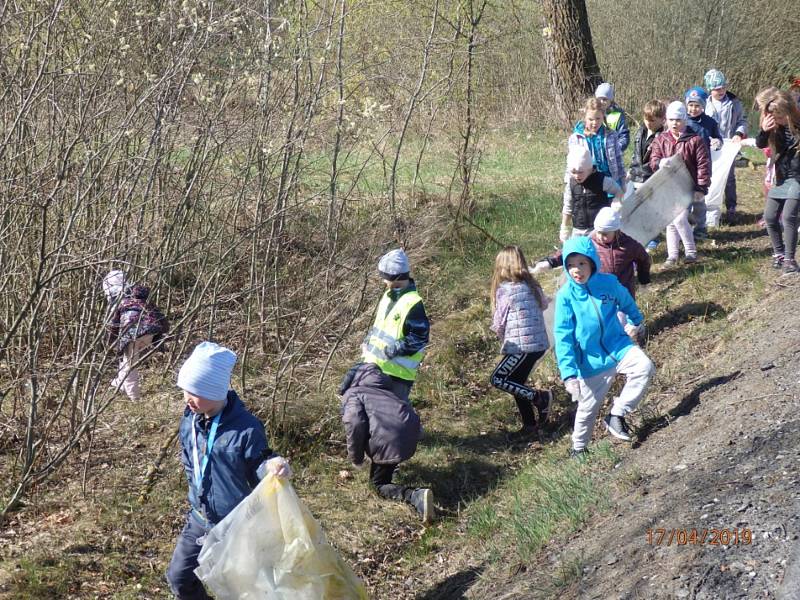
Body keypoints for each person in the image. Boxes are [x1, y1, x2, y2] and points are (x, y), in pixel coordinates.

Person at [166, 341, 291, 600]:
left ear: (216, 390)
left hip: (237, 524)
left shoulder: (246, 428)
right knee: (179, 577)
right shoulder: (190, 420)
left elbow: (259, 462)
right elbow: (190, 458)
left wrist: (272, 466)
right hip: (200, 519)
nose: (188, 398)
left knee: (249, 587)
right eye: (185, 391)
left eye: (196, 391)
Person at [553, 236, 655, 459]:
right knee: (587, 409)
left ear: (591, 262)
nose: (576, 270)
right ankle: (578, 448)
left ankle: (617, 414)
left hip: (618, 345)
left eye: (581, 263)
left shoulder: (607, 283)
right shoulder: (565, 297)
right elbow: (563, 337)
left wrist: (635, 321)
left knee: (644, 367)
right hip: (590, 361)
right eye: (570, 265)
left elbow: (625, 300)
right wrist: (569, 374)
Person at [339, 362, 434, 523]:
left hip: (390, 438)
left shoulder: (353, 393)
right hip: (410, 434)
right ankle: (391, 465)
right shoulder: (385, 390)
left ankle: (416, 496)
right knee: (385, 458)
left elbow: (354, 423)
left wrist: (356, 459)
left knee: (378, 485)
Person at [489, 246, 552, 437]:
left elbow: (499, 321)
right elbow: (544, 304)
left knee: (498, 379)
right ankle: (529, 425)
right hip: (539, 345)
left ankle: (540, 397)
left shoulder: (505, 290)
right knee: (516, 381)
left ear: (502, 268)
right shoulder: (532, 285)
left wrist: (499, 336)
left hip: (521, 347)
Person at [534, 207, 651, 302]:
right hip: (597, 293)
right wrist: (550, 262)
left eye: (605, 234)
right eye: (598, 232)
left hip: (622, 293)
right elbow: (571, 250)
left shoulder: (628, 245)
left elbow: (644, 260)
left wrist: (644, 279)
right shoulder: (590, 241)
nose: (600, 237)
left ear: (616, 231)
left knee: (621, 326)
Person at [361, 249, 430, 402]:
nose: (383, 282)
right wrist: (367, 342)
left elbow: (419, 337)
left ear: (394, 278)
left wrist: (392, 350)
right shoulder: (387, 297)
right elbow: (379, 326)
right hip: (374, 369)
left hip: (398, 376)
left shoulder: (413, 302)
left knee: (394, 421)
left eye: (384, 278)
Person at [649, 101, 711, 267]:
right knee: (670, 221)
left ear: (685, 120)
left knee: (680, 218)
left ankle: (690, 251)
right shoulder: (661, 139)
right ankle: (672, 255)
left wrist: (701, 188)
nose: (675, 123)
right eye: (671, 120)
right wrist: (660, 162)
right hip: (667, 187)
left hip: (687, 186)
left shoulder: (695, 140)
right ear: (666, 121)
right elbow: (653, 161)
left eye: (678, 119)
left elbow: (703, 165)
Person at [104, 270, 169, 401]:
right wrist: (163, 331)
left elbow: (113, 325)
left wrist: (110, 341)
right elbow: (158, 314)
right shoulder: (139, 297)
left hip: (133, 334)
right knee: (127, 359)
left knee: (130, 365)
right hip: (151, 331)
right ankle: (118, 384)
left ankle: (135, 398)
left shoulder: (117, 302)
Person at [755, 89, 800, 273]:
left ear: (789, 112)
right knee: (770, 216)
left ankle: (790, 259)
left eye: (781, 116)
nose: (778, 120)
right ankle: (779, 253)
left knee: (789, 216)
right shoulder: (774, 129)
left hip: (798, 178)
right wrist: (764, 131)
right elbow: (760, 144)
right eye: (775, 117)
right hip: (781, 178)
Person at [703, 69, 747, 222]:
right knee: (709, 176)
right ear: (710, 89)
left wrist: (738, 133)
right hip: (709, 146)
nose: (721, 91)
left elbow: (742, 120)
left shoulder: (734, 103)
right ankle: (707, 209)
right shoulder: (704, 103)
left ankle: (731, 208)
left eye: (723, 87)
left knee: (729, 178)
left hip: (728, 145)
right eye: (716, 89)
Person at [559, 145, 624, 241]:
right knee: (577, 253)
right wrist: (564, 226)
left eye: (580, 172)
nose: (577, 176)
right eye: (573, 172)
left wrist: (617, 201)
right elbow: (568, 206)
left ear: (589, 168)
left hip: (597, 229)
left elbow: (618, 191)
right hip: (578, 228)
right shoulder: (571, 183)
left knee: (596, 253)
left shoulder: (601, 180)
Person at [629, 99, 667, 253]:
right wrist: (631, 170)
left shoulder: (663, 136)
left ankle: (654, 237)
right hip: (636, 175)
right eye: (646, 119)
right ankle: (640, 234)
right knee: (636, 208)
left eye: (652, 120)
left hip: (651, 176)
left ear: (661, 119)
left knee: (651, 209)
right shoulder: (640, 131)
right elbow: (636, 154)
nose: (648, 123)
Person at [568, 97, 625, 187]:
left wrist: (622, 181)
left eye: (598, 119)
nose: (594, 123)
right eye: (591, 119)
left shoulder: (611, 136)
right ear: (585, 118)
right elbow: (572, 163)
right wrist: (569, 183)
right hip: (588, 182)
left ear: (603, 117)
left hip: (610, 180)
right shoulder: (576, 138)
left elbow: (618, 159)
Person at [595, 82, 631, 152]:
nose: (602, 101)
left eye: (605, 99)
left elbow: (624, 136)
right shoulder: (593, 113)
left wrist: (616, 149)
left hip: (612, 154)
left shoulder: (618, 115)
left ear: (610, 100)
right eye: (599, 99)